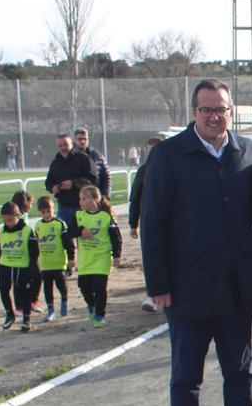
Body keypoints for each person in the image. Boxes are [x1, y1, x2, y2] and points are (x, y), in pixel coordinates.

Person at [141, 78, 252, 406]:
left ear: (232, 111)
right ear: (193, 113)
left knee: (239, 376)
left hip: (236, 290)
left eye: (221, 109)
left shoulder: (246, 150)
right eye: (206, 109)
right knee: (186, 378)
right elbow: (152, 223)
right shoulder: (169, 156)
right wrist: (157, 283)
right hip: (187, 289)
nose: (214, 116)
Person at [74, 185, 122, 328]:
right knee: (83, 286)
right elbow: (69, 231)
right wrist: (81, 230)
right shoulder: (79, 215)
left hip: (102, 257)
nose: (81, 202)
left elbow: (116, 237)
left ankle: (100, 314)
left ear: (95, 199)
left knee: (99, 287)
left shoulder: (105, 217)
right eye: (80, 199)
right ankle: (91, 305)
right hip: (84, 260)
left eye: (84, 198)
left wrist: (117, 255)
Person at [128, 136, 163, 313]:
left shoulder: (173, 169)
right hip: (150, 222)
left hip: (172, 222)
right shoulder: (144, 171)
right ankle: (152, 295)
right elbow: (135, 198)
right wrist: (133, 223)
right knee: (151, 255)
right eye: (150, 150)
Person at [0, 201, 39, 332]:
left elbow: (34, 252)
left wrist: (32, 268)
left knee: (24, 294)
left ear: (18, 216)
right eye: (5, 220)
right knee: (3, 291)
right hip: (5, 266)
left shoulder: (27, 231)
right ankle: (9, 314)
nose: (8, 222)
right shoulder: (3, 230)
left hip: (22, 267)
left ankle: (26, 319)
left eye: (10, 219)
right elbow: (0, 249)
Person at [34, 196, 74, 321]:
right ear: (40, 212)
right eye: (43, 212)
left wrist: (71, 258)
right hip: (45, 263)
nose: (46, 214)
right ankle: (50, 311)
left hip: (59, 262)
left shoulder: (59, 224)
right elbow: (36, 245)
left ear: (53, 209)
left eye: (49, 211)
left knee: (61, 284)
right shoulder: (38, 225)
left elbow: (68, 242)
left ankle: (64, 301)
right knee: (47, 287)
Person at [45, 134, 97, 231]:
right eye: (60, 145)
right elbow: (48, 182)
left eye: (65, 144)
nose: (63, 147)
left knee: (84, 238)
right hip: (63, 207)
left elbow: (93, 180)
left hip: (82, 207)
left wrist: (73, 183)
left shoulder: (83, 159)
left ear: (71, 144)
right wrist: (53, 188)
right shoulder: (55, 163)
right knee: (64, 238)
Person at [73, 128, 111, 199]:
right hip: (74, 201)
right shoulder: (69, 156)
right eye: (79, 139)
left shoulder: (97, 156)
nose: (83, 141)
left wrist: (105, 194)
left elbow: (106, 176)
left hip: (94, 199)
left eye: (85, 139)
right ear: (74, 140)